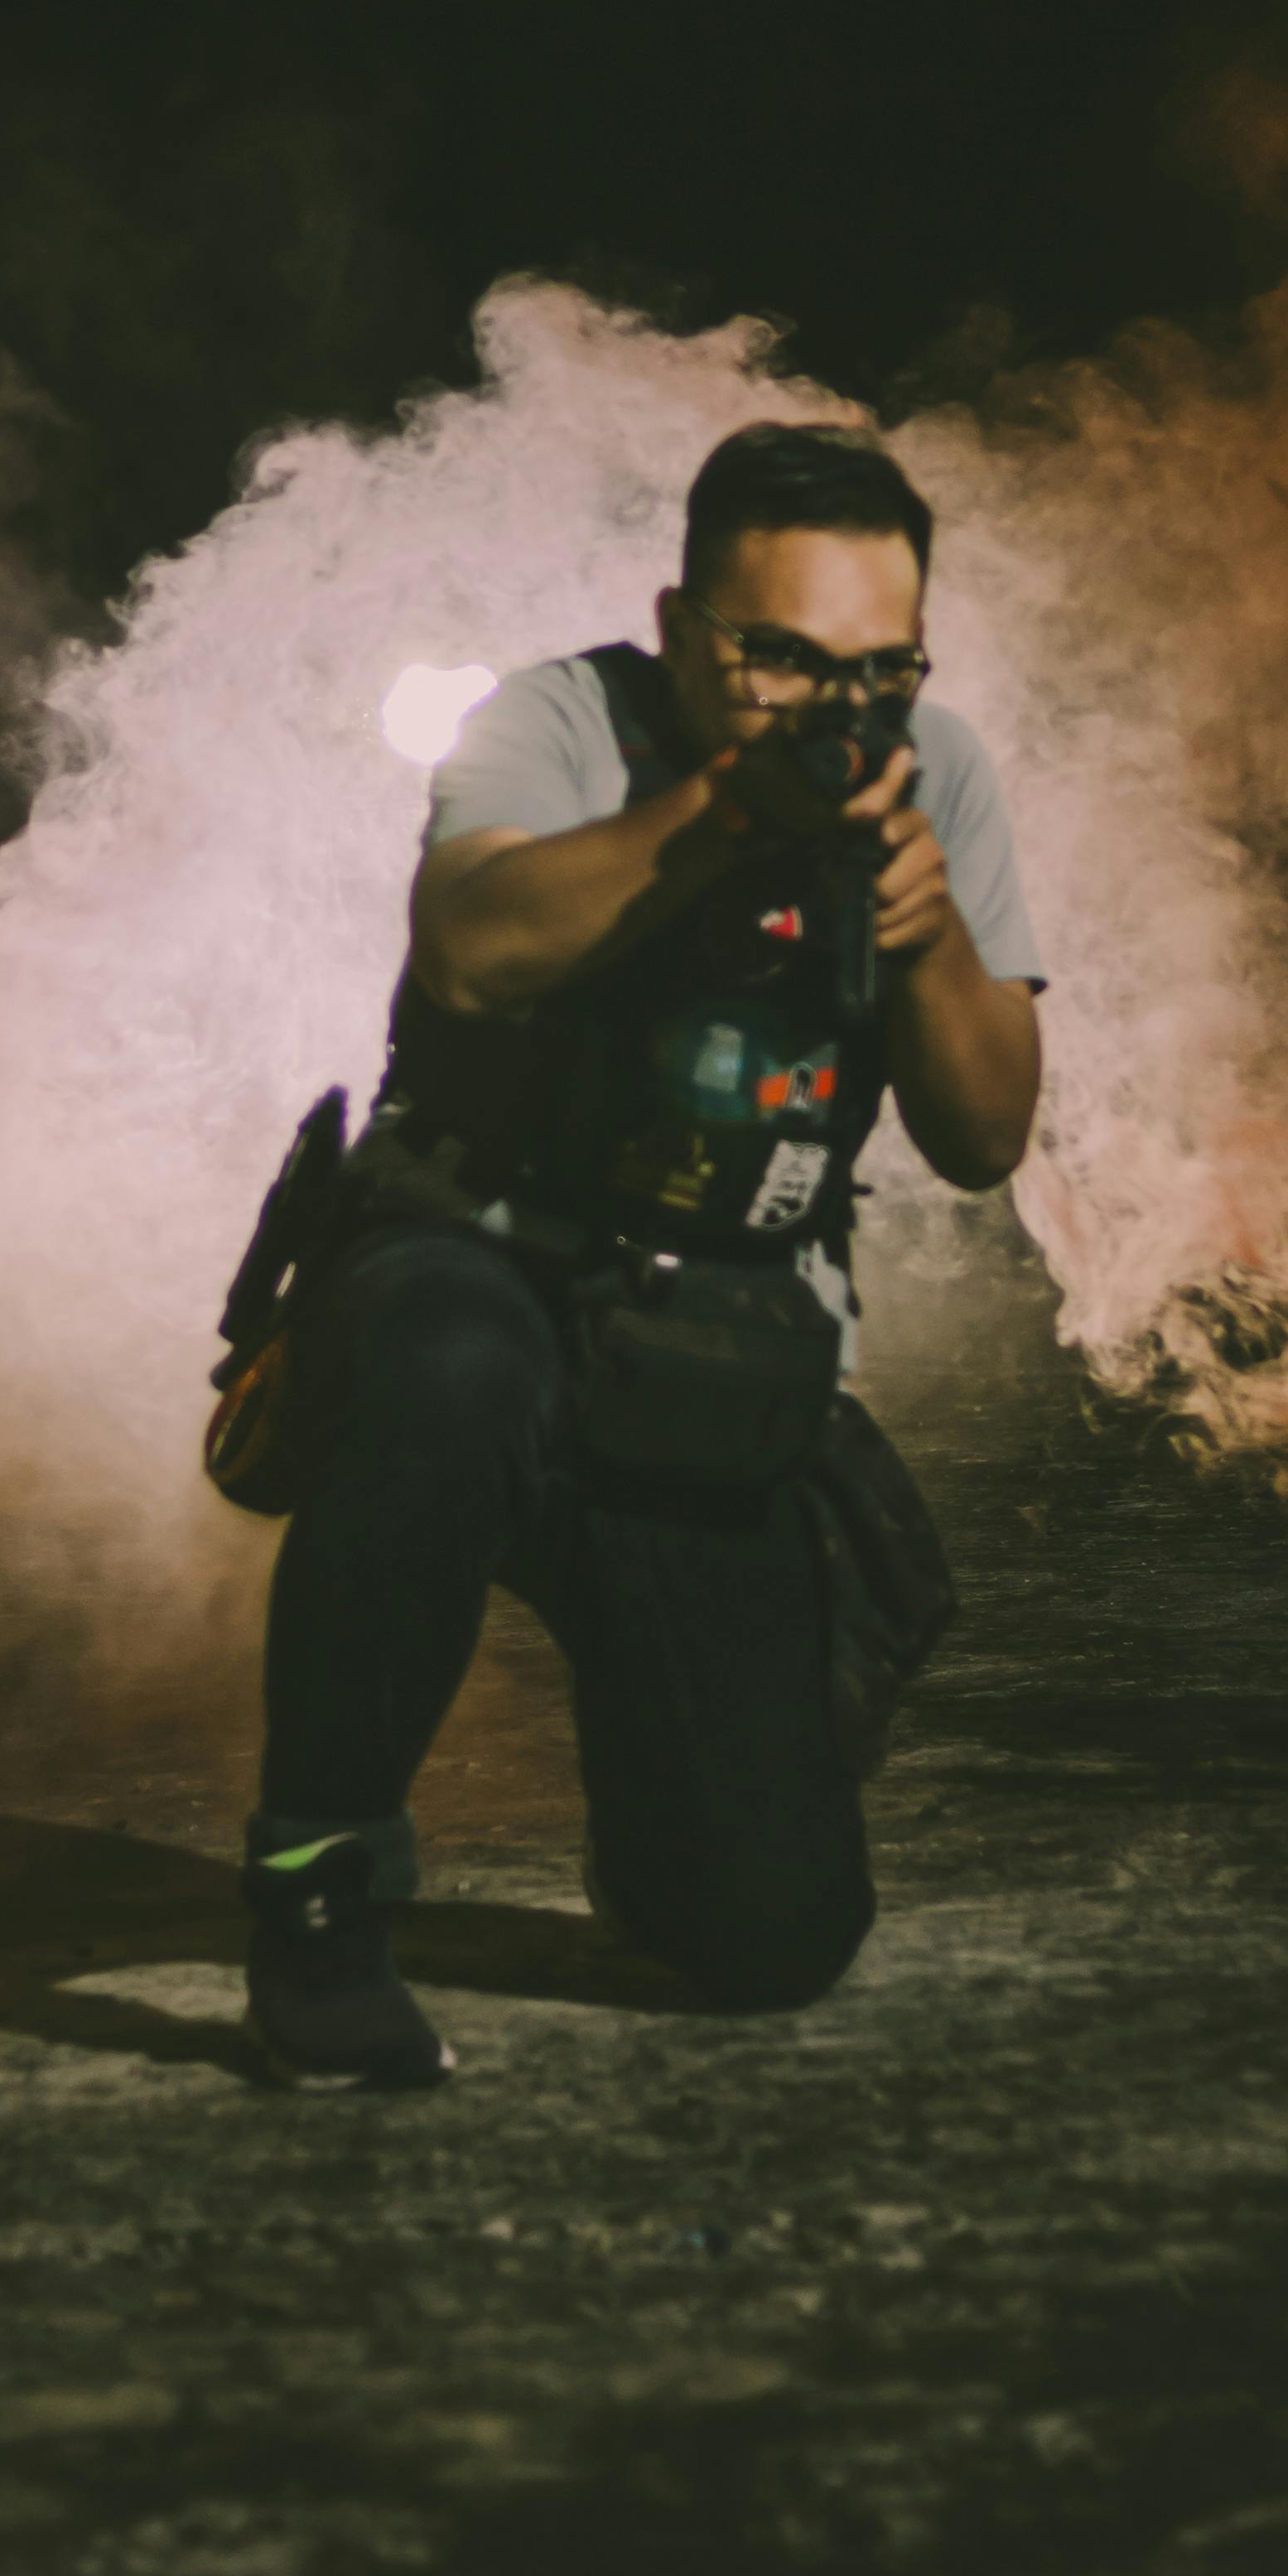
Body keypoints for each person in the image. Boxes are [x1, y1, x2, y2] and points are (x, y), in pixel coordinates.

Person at [240, 420, 1044, 2083]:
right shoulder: (557, 721)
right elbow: (468, 953)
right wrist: (721, 821)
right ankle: (318, 1893)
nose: (834, 717)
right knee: (450, 1364)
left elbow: (983, 1136)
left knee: (767, 1941)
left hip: (701, 1348)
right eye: (780, 665)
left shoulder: (933, 773)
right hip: (474, 1263)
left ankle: (660, 1780)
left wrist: (928, 928)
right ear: (682, 628)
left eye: (878, 673)